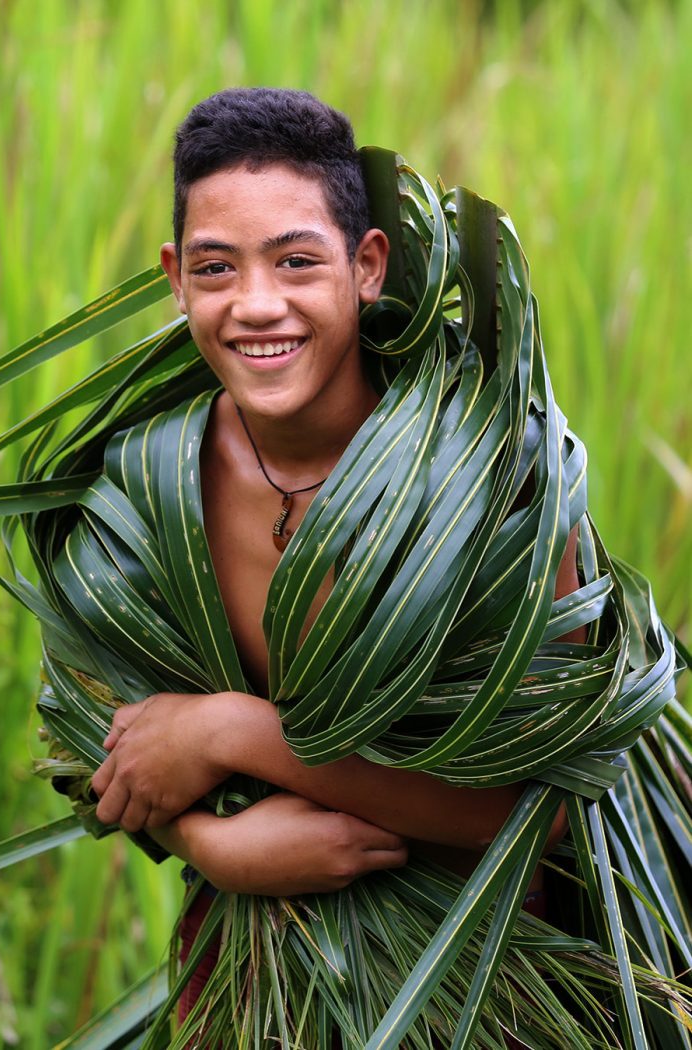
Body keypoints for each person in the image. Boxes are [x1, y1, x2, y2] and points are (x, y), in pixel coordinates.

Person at [89, 87, 578, 1033]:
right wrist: (212, 845)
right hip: (247, 977)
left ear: (367, 266)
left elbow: (535, 803)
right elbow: (105, 746)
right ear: (173, 279)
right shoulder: (147, 483)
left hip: (483, 980)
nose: (256, 304)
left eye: (297, 261)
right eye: (216, 267)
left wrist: (229, 732)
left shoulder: (491, 478)